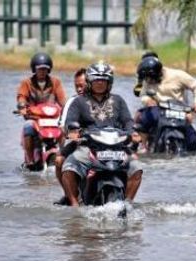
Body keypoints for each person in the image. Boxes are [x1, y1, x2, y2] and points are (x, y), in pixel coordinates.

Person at [61, 61, 143, 207]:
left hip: (117, 147)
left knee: (136, 168)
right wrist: (73, 132)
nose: (100, 83)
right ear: (89, 81)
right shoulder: (79, 102)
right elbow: (70, 121)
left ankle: (128, 204)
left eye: (103, 80)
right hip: (88, 147)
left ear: (109, 82)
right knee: (68, 168)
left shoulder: (118, 100)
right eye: (96, 80)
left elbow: (128, 121)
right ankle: (74, 206)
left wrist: (133, 133)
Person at [134, 55, 196, 152]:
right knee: (143, 119)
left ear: (157, 74)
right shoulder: (147, 79)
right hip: (159, 110)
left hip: (181, 110)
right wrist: (147, 100)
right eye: (147, 79)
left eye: (151, 79)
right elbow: (143, 94)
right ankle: (143, 146)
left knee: (192, 140)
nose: (149, 81)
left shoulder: (178, 75)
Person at [16, 52, 67, 171]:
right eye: (40, 69)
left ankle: (65, 155)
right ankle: (29, 160)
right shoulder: (26, 83)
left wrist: (68, 107)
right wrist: (22, 106)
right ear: (34, 69)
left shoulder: (56, 82)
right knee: (27, 127)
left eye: (45, 69)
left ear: (49, 70)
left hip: (52, 119)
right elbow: (21, 96)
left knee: (65, 128)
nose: (42, 72)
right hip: (34, 119)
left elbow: (62, 100)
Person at [54, 68, 87, 204]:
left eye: (82, 85)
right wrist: (72, 133)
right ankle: (70, 197)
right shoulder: (72, 102)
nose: (79, 89)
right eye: (77, 86)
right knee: (59, 161)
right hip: (79, 142)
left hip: (103, 142)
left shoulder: (107, 99)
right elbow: (62, 126)